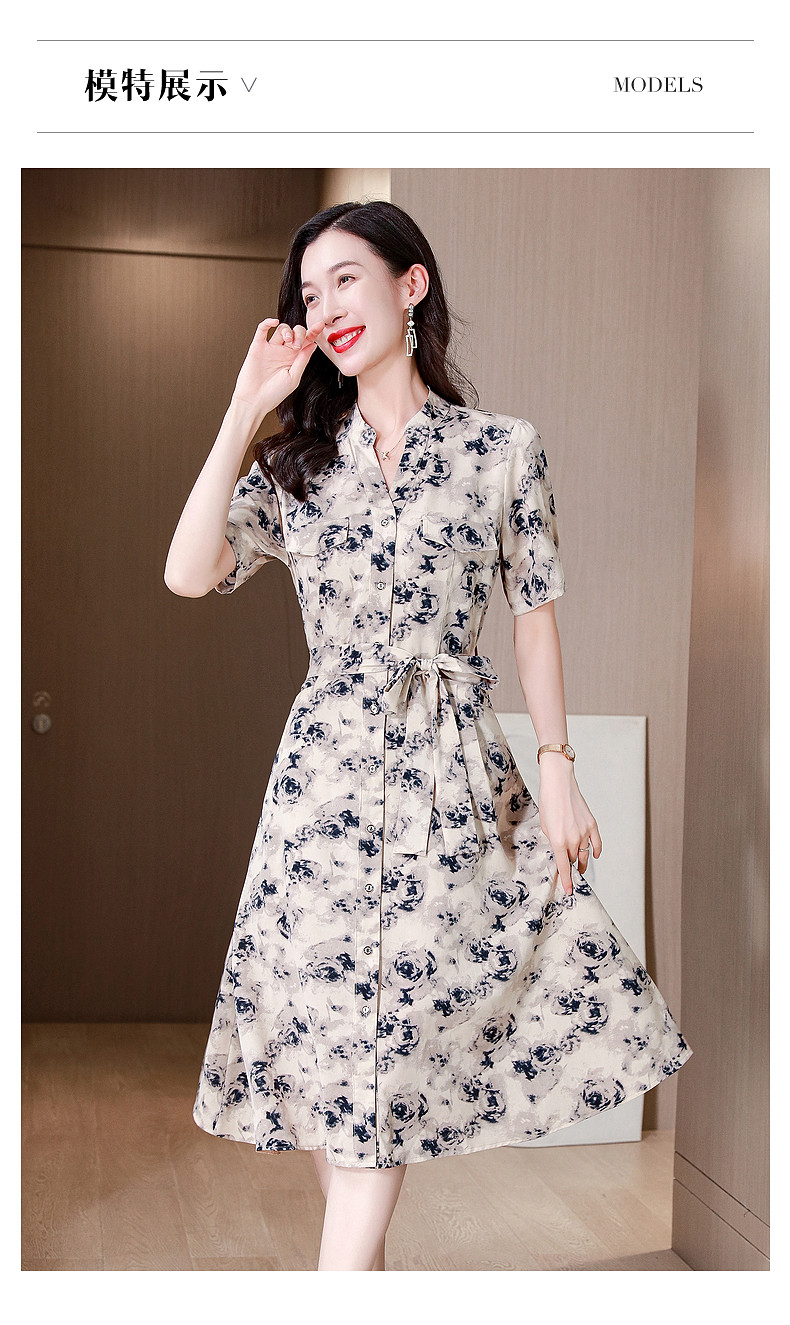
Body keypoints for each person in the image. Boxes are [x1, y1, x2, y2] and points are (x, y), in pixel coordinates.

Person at [164, 200, 692, 1272]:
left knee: (387, 1066)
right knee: (338, 1074)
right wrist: (244, 406)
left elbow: (535, 619)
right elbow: (186, 571)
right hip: (322, 792)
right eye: (308, 294)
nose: (326, 307)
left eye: (346, 280)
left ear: (411, 285)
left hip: (449, 782)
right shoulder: (300, 463)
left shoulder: (501, 450)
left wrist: (558, 771)